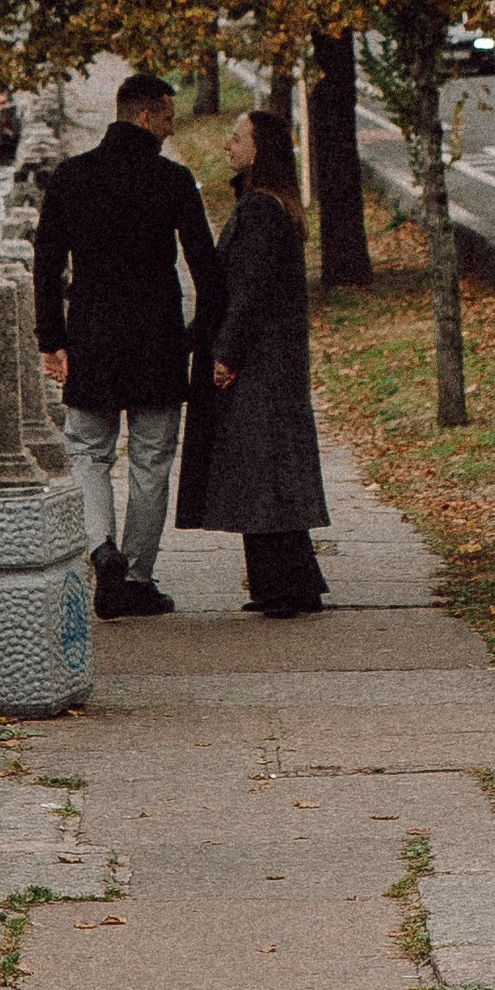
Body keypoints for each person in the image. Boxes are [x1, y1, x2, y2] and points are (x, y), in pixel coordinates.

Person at [33, 69, 220, 619]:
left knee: (87, 453)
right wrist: (200, 335)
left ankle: (101, 548)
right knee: (151, 460)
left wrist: (52, 339)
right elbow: (204, 267)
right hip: (158, 341)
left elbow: (46, 266)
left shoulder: (71, 177)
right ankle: (137, 576)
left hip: (91, 337)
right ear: (145, 116)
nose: (171, 126)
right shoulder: (173, 181)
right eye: (167, 115)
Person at [175, 106, 331, 617]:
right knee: (269, 470)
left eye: (237, 137)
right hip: (275, 357)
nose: (227, 144)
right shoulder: (270, 203)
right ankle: (285, 583)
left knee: (260, 470)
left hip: (259, 360)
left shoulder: (260, 210)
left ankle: (283, 588)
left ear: (260, 149)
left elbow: (248, 290)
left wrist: (226, 352)